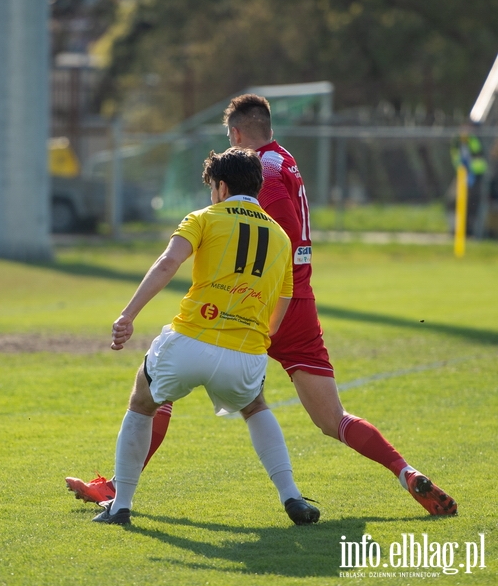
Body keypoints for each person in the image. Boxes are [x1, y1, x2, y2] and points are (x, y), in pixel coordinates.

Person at [68, 94, 457, 517]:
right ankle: (404, 472)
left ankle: (117, 492)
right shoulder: (285, 158)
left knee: (161, 385)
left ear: (236, 135)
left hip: (254, 302)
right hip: (294, 302)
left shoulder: (263, 173)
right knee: (328, 418)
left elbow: (276, 234)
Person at [87, 147, 319, 527]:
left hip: (190, 341)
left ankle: (121, 505)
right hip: (245, 355)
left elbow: (168, 263)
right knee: (256, 407)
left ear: (221, 187)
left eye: (212, 187)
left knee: (143, 402)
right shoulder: (279, 237)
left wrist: (128, 315)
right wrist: (256, 335)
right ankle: (291, 496)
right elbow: (285, 301)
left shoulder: (204, 217)